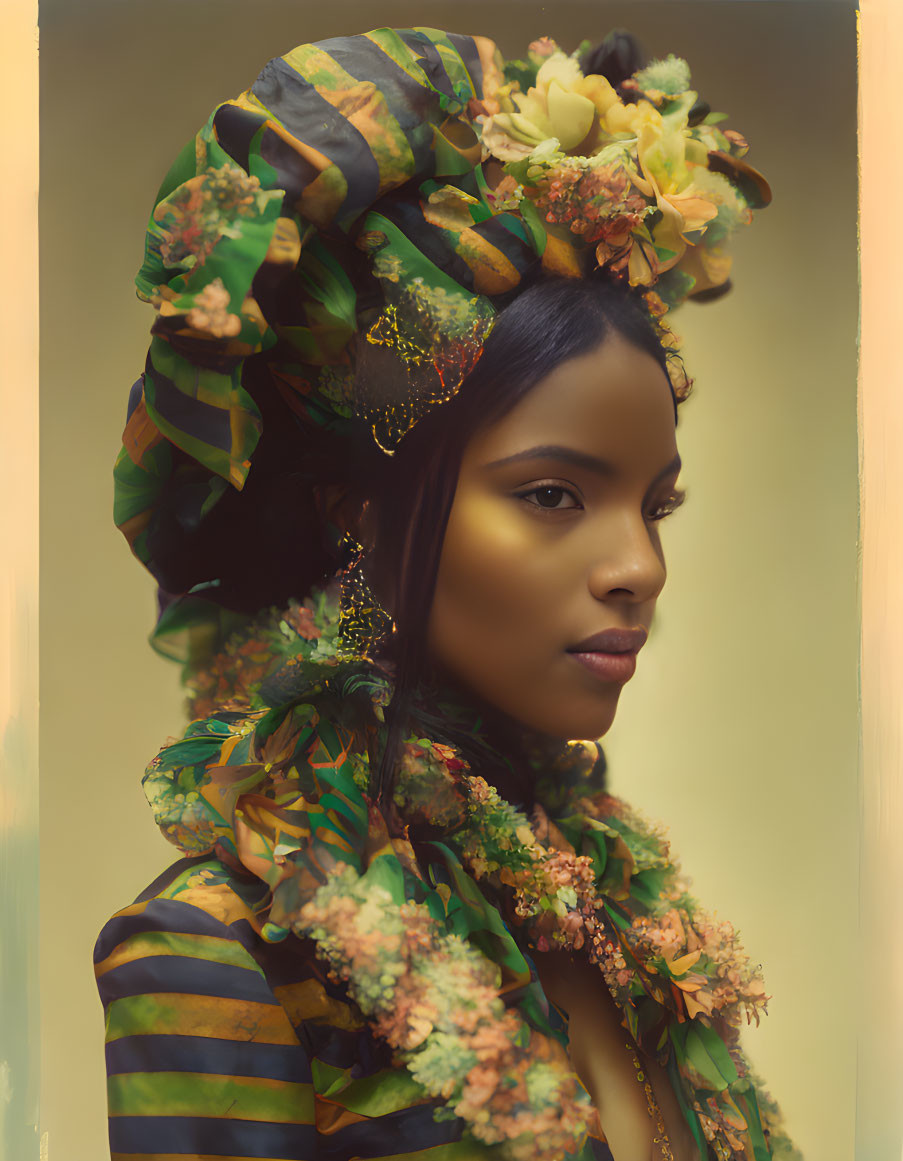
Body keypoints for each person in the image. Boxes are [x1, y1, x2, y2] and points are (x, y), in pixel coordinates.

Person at [94, 24, 796, 1161]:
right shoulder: (220, 955)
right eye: (557, 495)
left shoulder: (617, 921)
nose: (640, 568)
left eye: (653, 506)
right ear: (359, 513)